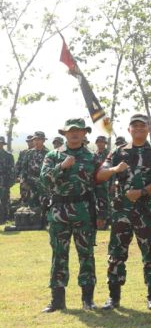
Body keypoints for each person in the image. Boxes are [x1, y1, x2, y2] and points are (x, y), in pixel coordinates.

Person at [96, 114, 151, 310]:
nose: (138, 128)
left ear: (148, 128)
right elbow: (100, 175)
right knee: (116, 253)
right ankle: (114, 297)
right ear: (129, 129)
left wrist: (143, 192)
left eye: (142, 126)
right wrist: (114, 169)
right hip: (122, 211)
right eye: (134, 126)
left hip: (145, 211)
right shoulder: (118, 152)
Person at [40, 118, 107, 312]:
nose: (75, 134)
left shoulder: (92, 157)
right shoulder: (53, 155)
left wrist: (103, 212)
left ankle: (88, 300)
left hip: (84, 211)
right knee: (59, 254)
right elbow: (44, 181)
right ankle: (57, 300)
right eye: (71, 131)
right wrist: (62, 167)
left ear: (85, 133)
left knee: (86, 255)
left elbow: (101, 186)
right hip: (59, 212)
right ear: (65, 134)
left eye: (78, 131)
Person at [0, 137, 14, 224]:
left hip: (4, 182)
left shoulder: (8, 156)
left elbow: (12, 170)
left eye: (1, 143)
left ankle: (4, 219)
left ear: (3, 144)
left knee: (5, 200)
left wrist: (10, 182)